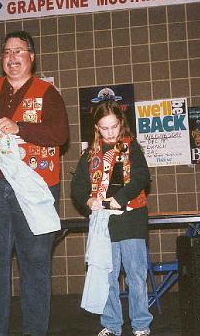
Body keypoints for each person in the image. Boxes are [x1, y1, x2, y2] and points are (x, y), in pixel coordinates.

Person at [0, 30, 69, 336]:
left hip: (34, 187)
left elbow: (60, 133)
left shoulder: (47, 92)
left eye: (18, 51)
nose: (12, 57)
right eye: (6, 52)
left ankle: (34, 331)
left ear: (31, 57)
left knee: (35, 262)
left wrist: (21, 127)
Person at [71, 100, 152, 336]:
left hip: (131, 219)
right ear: (97, 128)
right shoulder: (90, 153)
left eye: (114, 127)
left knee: (136, 276)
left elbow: (141, 176)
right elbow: (77, 186)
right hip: (105, 224)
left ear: (121, 123)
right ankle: (112, 325)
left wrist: (122, 196)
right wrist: (88, 200)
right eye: (104, 128)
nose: (110, 132)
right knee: (108, 275)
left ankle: (141, 325)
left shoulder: (131, 146)